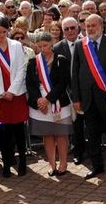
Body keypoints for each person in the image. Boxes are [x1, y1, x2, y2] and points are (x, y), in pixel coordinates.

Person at [71, 14, 106, 179]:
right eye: (87, 26)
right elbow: (75, 73)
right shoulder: (81, 45)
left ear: (101, 26)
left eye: (93, 25)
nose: (90, 29)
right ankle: (97, 166)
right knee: (92, 134)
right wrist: (76, 99)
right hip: (87, 99)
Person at [0, 16, 29, 177]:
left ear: (8, 30)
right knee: (3, 133)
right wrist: (0, 92)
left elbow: (22, 69)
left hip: (16, 95)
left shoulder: (16, 46)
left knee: (18, 130)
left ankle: (22, 161)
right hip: (0, 97)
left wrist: (12, 91)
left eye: (3, 31)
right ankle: (7, 163)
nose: (1, 35)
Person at [26, 32, 73, 176]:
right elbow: (30, 84)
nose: (43, 49)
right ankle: (51, 164)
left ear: (51, 43)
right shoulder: (33, 62)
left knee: (61, 135)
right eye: (39, 46)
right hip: (40, 105)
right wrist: (40, 100)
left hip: (59, 102)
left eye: (45, 45)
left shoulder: (61, 60)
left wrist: (48, 99)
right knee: (47, 135)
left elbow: (62, 83)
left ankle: (63, 163)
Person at [52, 17, 86, 165]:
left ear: (78, 27)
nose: (70, 31)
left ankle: (94, 150)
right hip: (69, 93)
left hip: (88, 90)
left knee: (92, 123)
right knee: (76, 125)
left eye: (73, 28)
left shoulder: (87, 43)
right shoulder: (57, 48)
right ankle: (78, 152)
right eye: (66, 29)